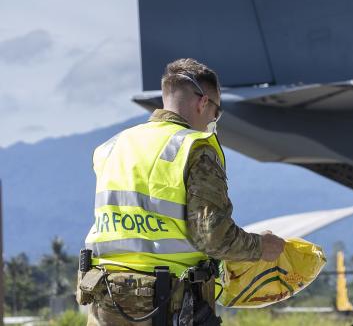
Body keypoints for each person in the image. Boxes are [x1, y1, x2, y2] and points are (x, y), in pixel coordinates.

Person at [78, 58, 286, 325]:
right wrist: (261, 246)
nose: (214, 119)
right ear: (203, 103)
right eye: (216, 112)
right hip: (166, 304)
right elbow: (212, 237)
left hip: (105, 298)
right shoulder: (195, 147)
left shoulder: (112, 147)